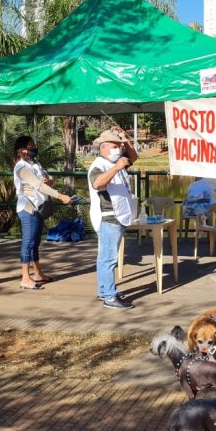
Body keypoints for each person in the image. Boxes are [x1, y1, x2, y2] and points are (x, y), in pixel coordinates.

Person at [87, 126, 138, 310]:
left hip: (119, 216)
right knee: (109, 259)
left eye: (120, 146)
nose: (120, 149)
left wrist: (125, 138)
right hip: (109, 217)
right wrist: (117, 167)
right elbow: (97, 183)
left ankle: (104, 291)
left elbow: (133, 157)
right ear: (104, 147)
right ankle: (110, 296)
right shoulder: (99, 165)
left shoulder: (118, 160)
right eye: (116, 146)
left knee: (104, 258)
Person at [12, 135, 73, 290]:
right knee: (28, 242)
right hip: (28, 208)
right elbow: (38, 186)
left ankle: (38, 273)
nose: (34, 149)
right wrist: (61, 196)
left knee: (36, 242)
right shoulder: (21, 167)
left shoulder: (35, 163)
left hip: (39, 207)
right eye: (31, 146)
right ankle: (25, 278)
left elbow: (47, 180)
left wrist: (50, 182)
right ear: (22, 150)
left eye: (34, 146)